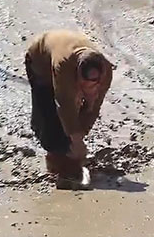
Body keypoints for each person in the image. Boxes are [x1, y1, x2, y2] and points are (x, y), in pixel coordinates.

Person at [25, 30, 113, 189]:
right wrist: (76, 140)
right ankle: (54, 157)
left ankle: (68, 155)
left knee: (76, 120)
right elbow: (64, 105)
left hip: (68, 58)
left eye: (94, 84)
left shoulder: (106, 70)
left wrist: (81, 135)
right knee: (48, 116)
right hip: (40, 63)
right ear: (77, 75)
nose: (89, 89)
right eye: (85, 85)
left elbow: (94, 108)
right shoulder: (63, 66)